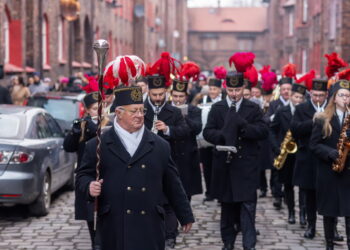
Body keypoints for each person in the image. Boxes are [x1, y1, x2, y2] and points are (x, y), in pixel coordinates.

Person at [76, 86, 194, 250]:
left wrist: (185, 215)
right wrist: (89, 186)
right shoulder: (97, 145)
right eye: (133, 111)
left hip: (149, 223)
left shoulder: (160, 145)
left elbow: (173, 183)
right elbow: (82, 176)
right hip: (114, 223)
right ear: (118, 113)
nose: (140, 115)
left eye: (141, 110)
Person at [203, 71, 268, 250]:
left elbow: (263, 131)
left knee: (248, 206)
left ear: (243, 88)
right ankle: (228, 242)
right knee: (227, 207)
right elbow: (208, 132)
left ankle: (249, 244)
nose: (234, 94)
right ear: (226, 88)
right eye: (231, 90)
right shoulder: (217, 108)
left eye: (238, 90)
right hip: (224, 164)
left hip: (246, 165)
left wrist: (243, 125)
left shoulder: (253, 108)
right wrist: (221, 135)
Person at [144, 73, 190, 248]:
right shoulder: (141, 109)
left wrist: (168, 129)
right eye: (154, 95)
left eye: (160, 94)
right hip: (146, 163)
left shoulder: (174, 111)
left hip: (169, 161)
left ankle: (170, 236)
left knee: (169, 200)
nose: (157, 98)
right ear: (148, 92)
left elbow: (184, 131)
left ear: (166, 92)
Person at [63, 90, 109, 250]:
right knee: (92, 215)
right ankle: (95, 244)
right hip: (88, 175)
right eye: (95, 108)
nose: (99, 111)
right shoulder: (82, 124)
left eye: (101, 107)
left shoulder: (109, 123)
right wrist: (74, 133)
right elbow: (68, 147)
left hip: (106, 175)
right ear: (88, 110)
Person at [310, 80, 350, 250]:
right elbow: (314, 145)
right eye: (342, 95)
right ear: (334, 98)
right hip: (329, 172)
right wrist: (329, 153)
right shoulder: (322, 118)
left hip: (348, 172)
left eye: (348, 96)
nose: (346, 99)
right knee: (329, 212)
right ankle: (329, 245)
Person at [291, 79, 328, 238]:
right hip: (307, 158)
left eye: (321, 95)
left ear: (326, 95)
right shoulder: (301, 108)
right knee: (310, 195)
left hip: (325, 158)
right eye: (315, 95)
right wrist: (313, 121)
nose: (318, 99)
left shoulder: (332, 108)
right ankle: (311, 225)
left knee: (328, 195)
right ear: (310, 94)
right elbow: (295, 130)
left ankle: (331, 229)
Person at [270, 83, 307, 225]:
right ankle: (291, 212)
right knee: (288, 185)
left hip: (302, 153)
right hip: (286, 153)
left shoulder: (305, 111)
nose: (298, 100)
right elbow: (272, 130)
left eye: (301, 98)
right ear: (291, 96)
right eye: (296, 97)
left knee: (303, 185)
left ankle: (303, 214)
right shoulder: (281, 111)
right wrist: (276, 147)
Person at [170, 77, 203, 200]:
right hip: (171, 153)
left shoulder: (194, 110)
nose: (178, 100)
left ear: (186, 96)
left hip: (188, 154)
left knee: (186, 192)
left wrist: (185, 117)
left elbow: (197, 128)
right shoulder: (167, 108)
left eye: (181, 96)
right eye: (175, 96)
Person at [267, 77, 293, 209]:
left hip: (292, 144)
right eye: (284, 89)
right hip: (278, 142)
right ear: (280, 90)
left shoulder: (296, 103)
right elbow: (267, 120)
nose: (286, 92)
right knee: (277, 170)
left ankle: (288, 197)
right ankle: (277, 196)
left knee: (290, 173)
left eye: (289, 89)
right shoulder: (274, 104)